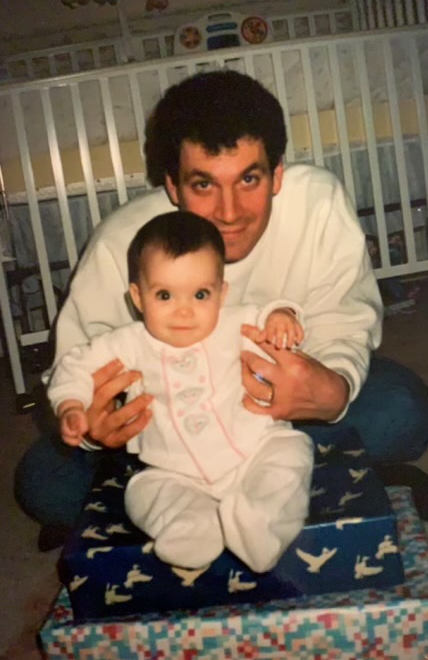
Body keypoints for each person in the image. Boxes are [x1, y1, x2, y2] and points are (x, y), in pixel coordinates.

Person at [14, 70, 428, 551]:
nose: (229, 212)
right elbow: (76, 362)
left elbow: (344, 319)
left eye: (249, 179)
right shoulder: (123, 241)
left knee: (402, 412)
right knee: (45, 485)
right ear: (173, 188)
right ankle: (300, 488)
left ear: (277, 173)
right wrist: (98, 425)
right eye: (203, 185)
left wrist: (335, 387)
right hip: (172, 433)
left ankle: (224, 501)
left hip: (276, 418)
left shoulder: (318, 202)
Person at [47, 212, 313, 572]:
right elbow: (74, 365)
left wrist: (283, 316)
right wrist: (71, 404)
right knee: (142, 492)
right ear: (138, 298)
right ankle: (192, 531)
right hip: (172, 469)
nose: (184, 311)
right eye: (165, 295)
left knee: (292, 451)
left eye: (201, 294)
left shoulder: (233, 323)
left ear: (222, 293)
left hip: (253, 450)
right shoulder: (128, 342)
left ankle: (261, 523)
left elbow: (269, 311)